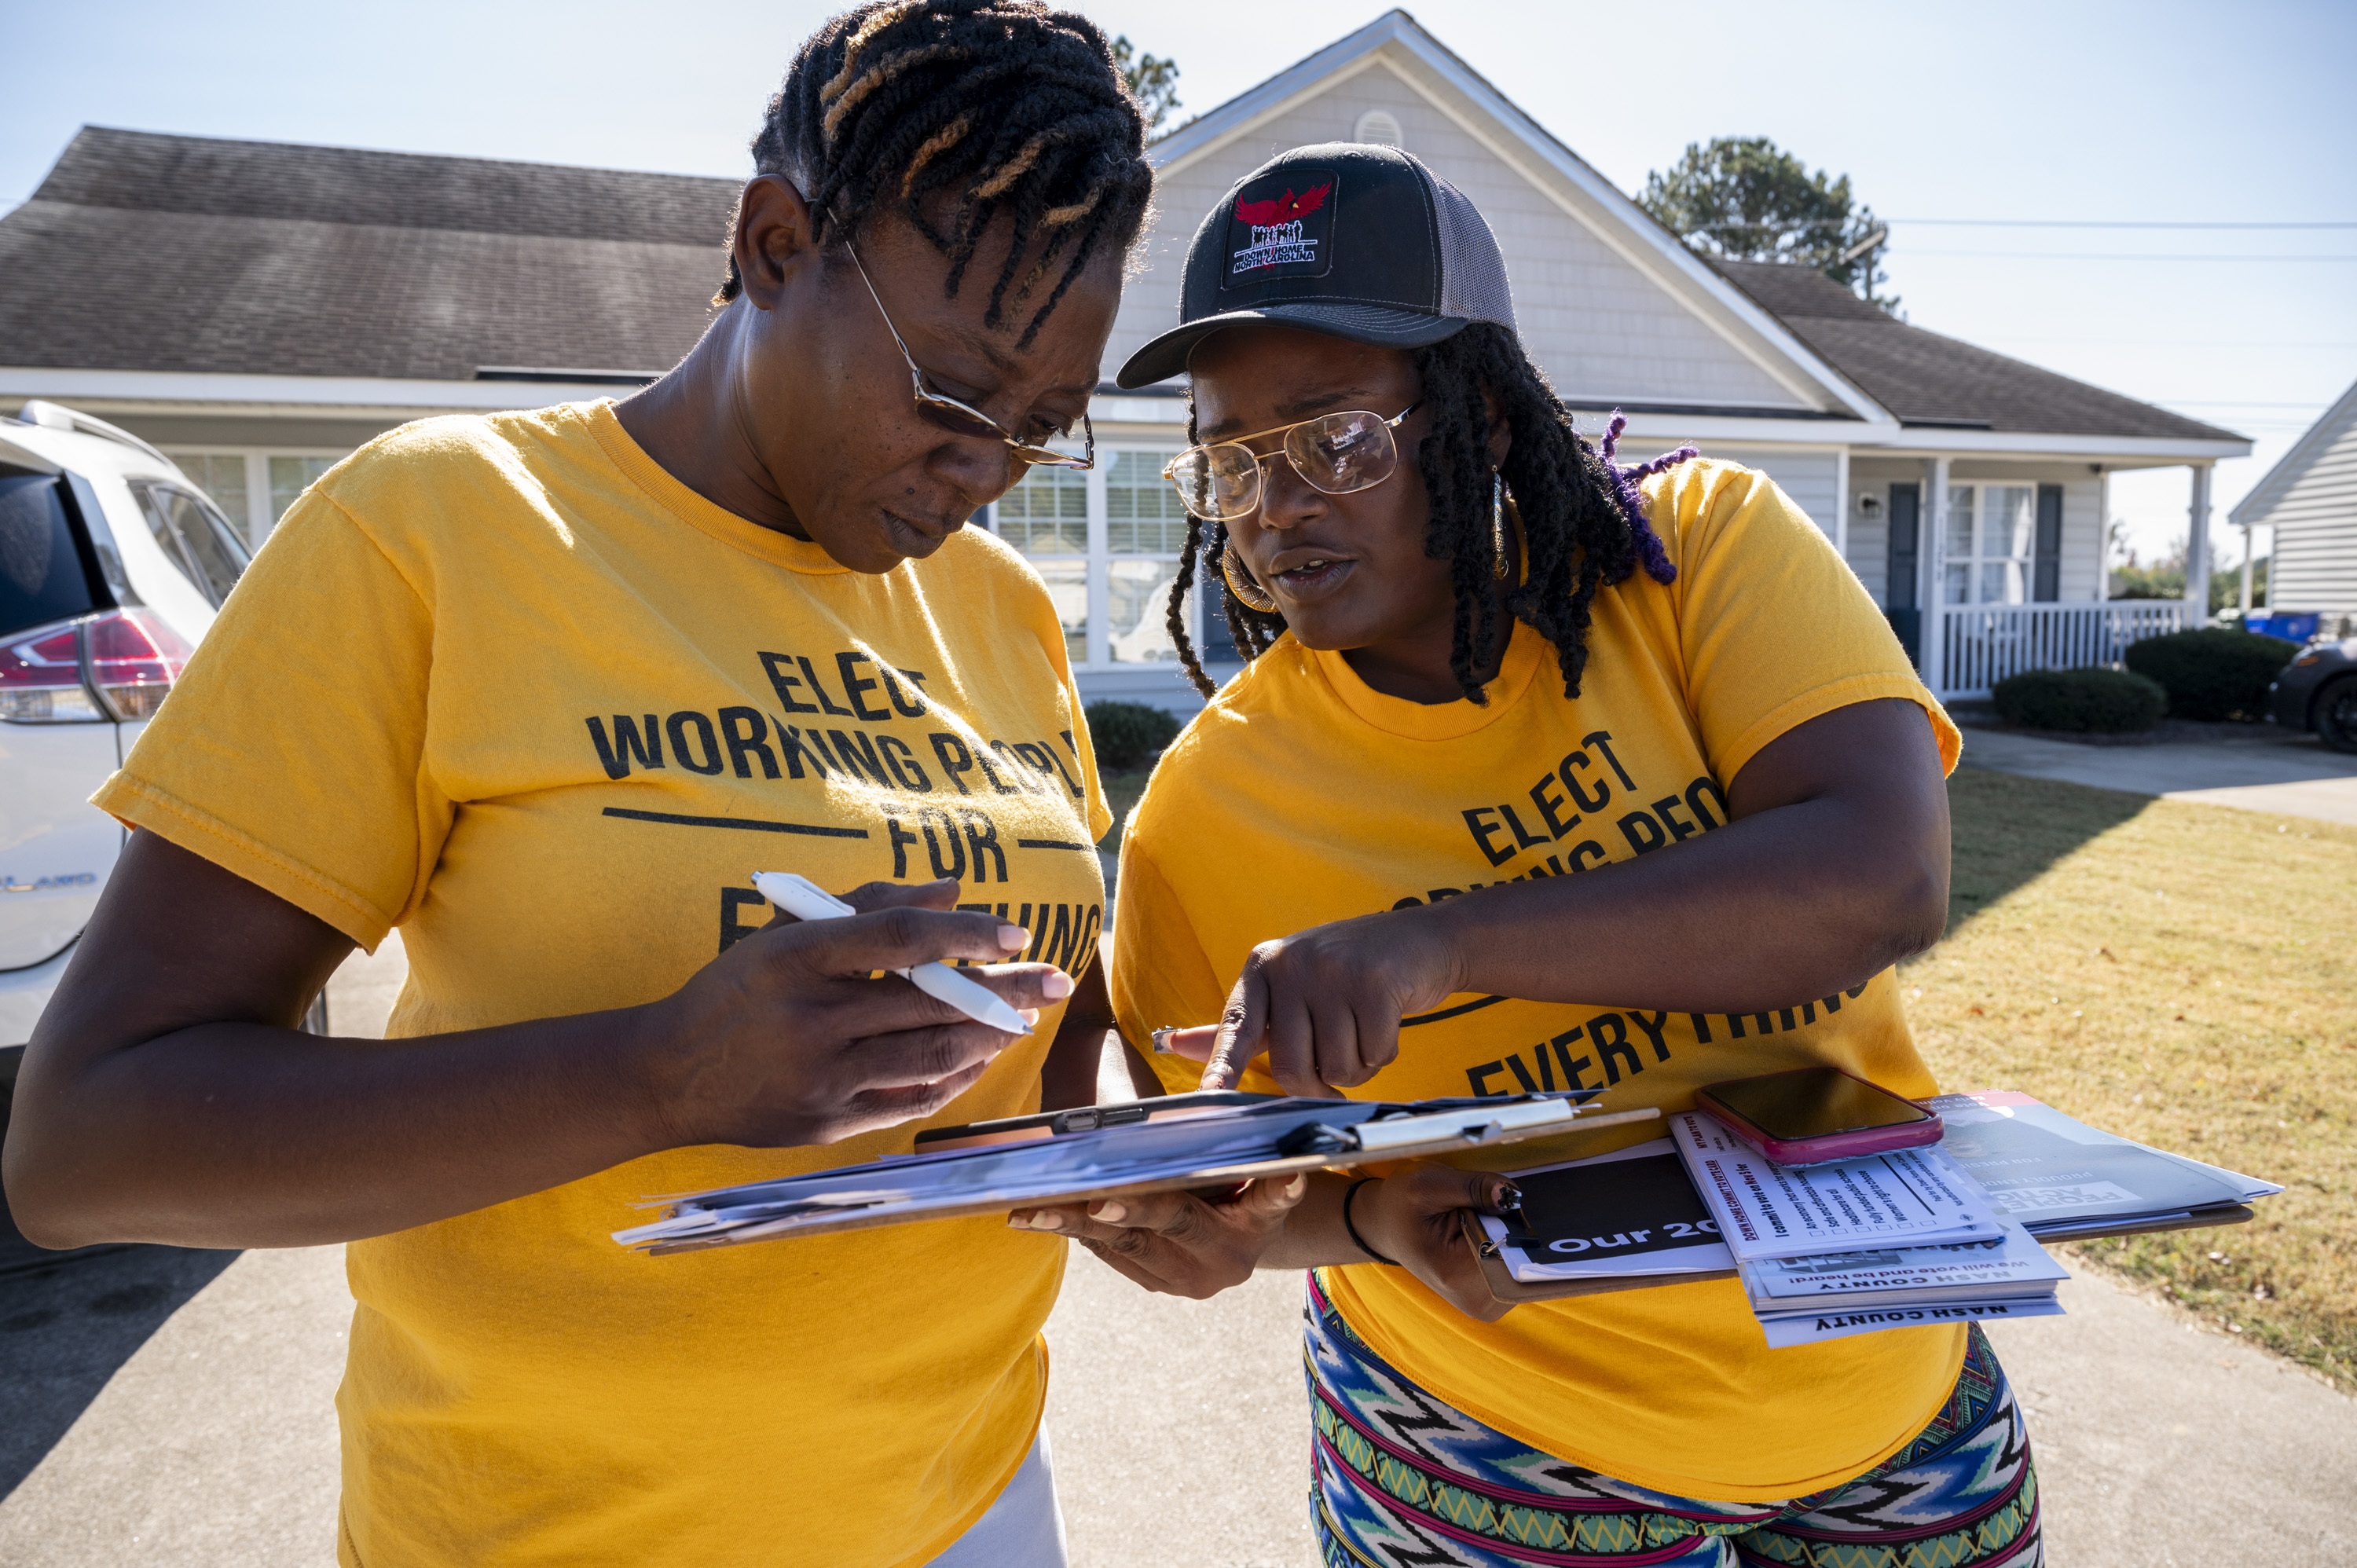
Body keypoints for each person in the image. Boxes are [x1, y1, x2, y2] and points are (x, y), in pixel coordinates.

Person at [2, 5, 1153, 1563]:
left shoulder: (1006, 606)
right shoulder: (437, 531)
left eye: (1044, 426)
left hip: (971, 1500)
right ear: (772, 243)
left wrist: (1149, 1164)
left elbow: (1040, 1033)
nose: (988, 466)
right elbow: (90, 1141)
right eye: (957, 393)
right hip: (549, 1524)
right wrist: (658, 1076)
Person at [1016, 145, 2043, 1567]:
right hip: (1493, 1444)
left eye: (1333, 441)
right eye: (1230, 462)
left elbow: (1879, 879)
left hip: (1885, 1372)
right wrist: (1235, 1218)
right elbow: (1210, 1155)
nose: (1273, 507)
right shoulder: (1210, 801)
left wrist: (1437, 945)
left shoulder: (1693, 556)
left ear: (1485, 416)